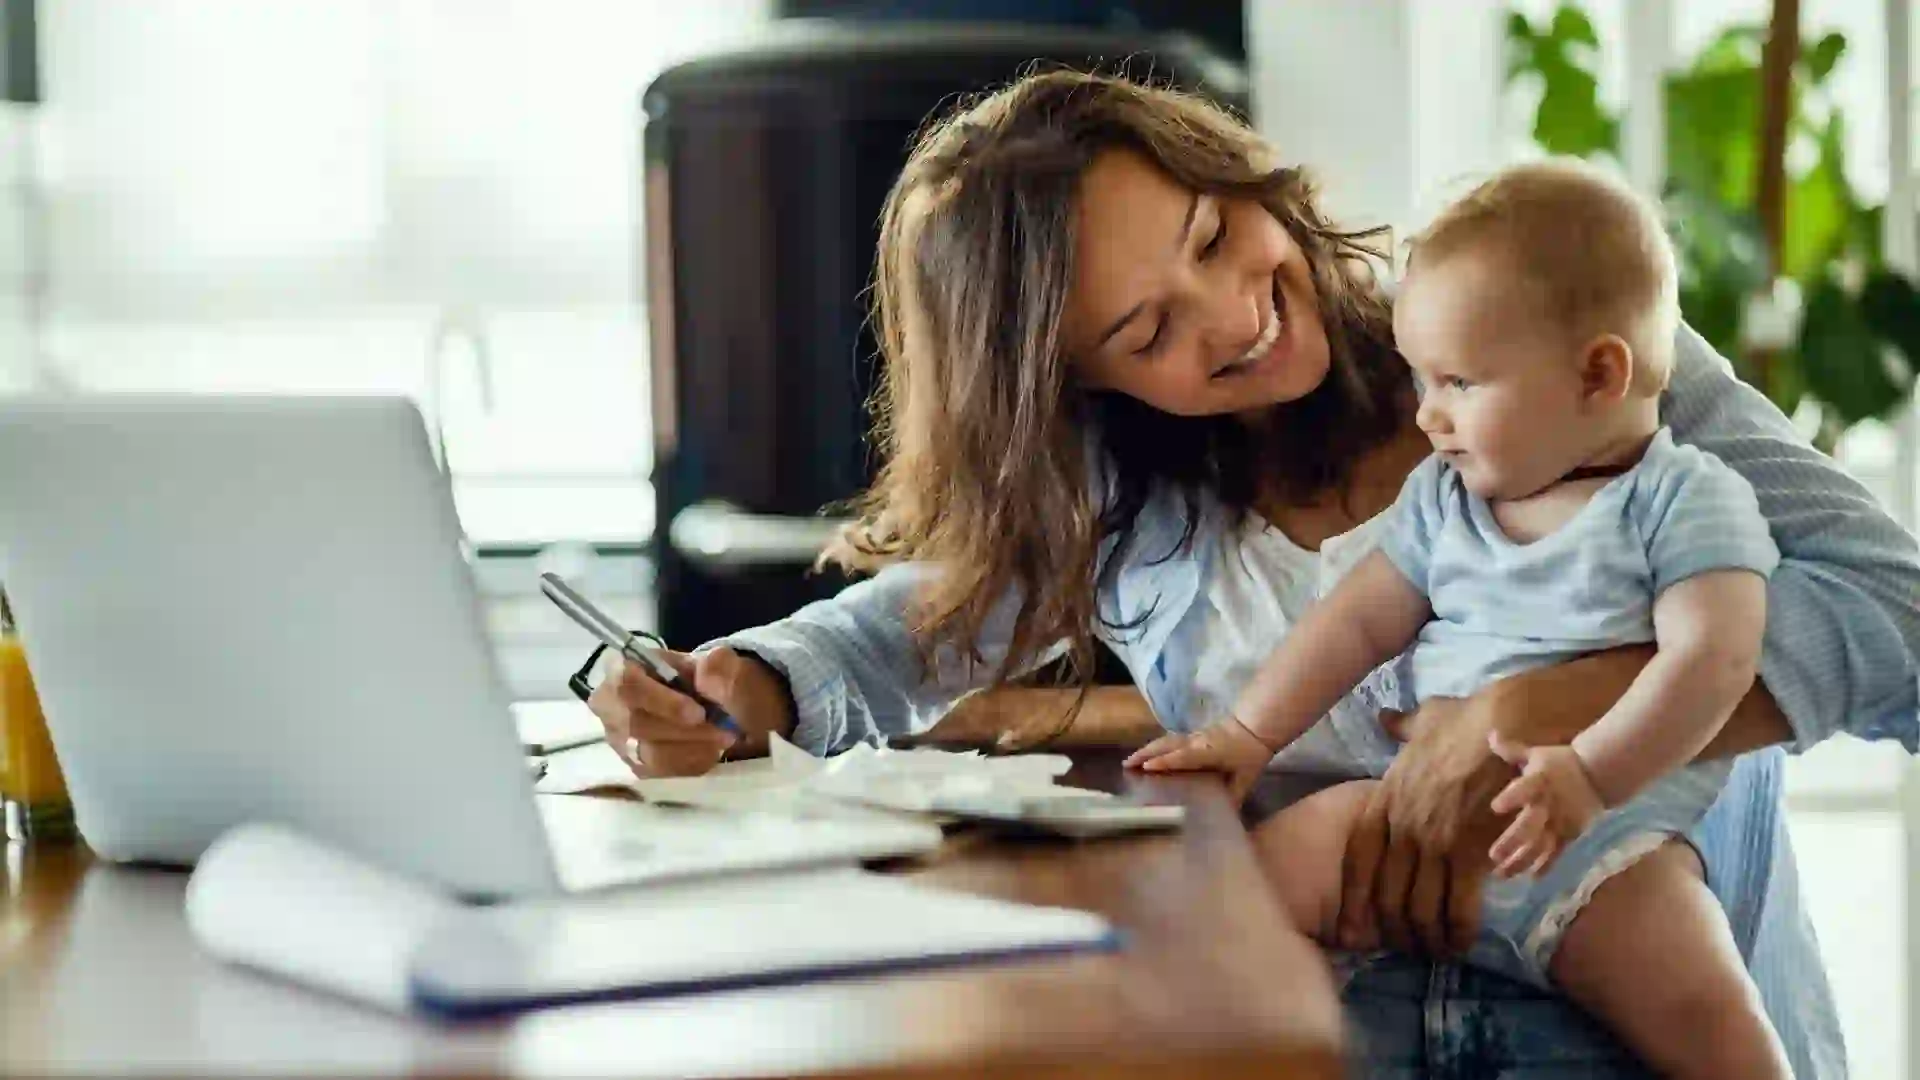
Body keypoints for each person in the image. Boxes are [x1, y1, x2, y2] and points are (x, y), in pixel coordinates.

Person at [587, 70, 1920, 1076]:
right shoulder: (1120, 489)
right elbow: (900, 632)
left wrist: (1539, 710)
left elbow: (1901, 622)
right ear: (1074, 382)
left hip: (1646, 1026)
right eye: (1148, 327)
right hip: (1339, 1040)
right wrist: (742, 681)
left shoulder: (1552, 337)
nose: (1234, 313)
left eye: (1215, 235)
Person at [1127, 159, 1788, 1077]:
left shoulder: (1685, 502)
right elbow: (1354, 624)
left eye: (1458, 384)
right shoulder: (1446, 499)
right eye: (1419, 380)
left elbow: (1715, 663)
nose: (1427, 416)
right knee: (1232, 902)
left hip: (1609, 851)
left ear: (1598, 374)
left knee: (1712, 1015)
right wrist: (1245, 733)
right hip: (1412, 819)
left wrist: (1590, 778)